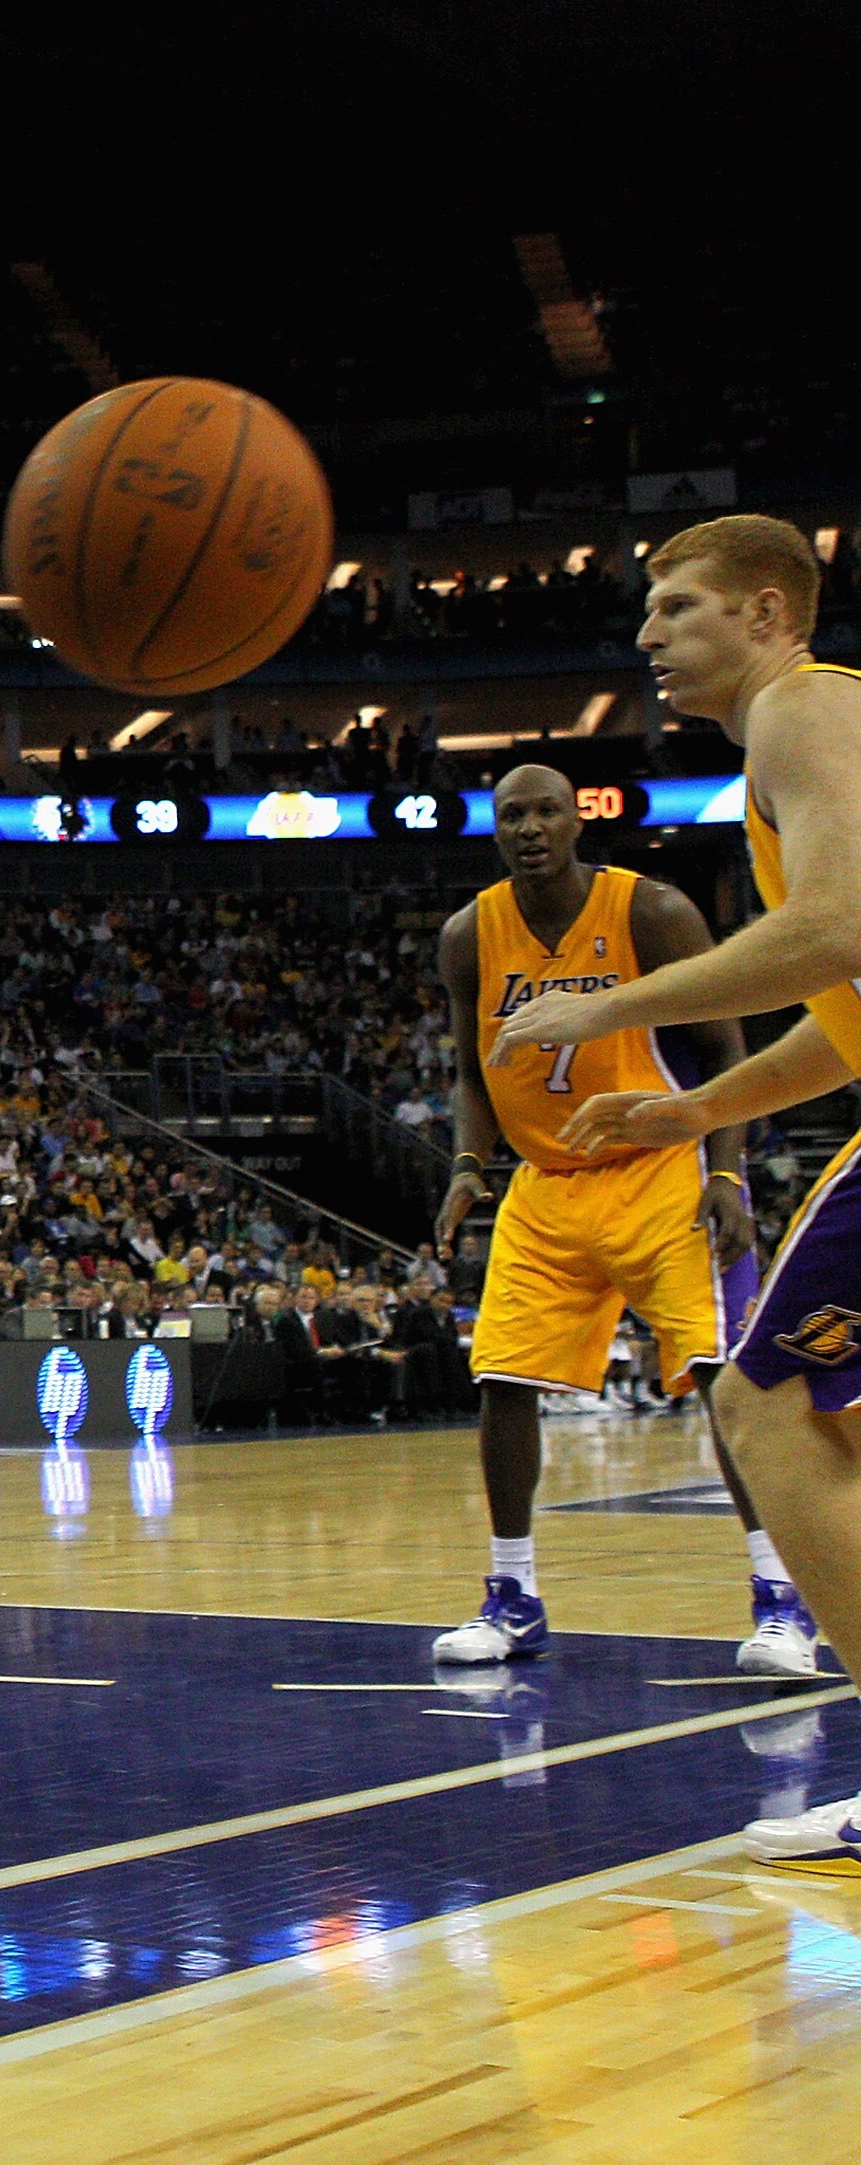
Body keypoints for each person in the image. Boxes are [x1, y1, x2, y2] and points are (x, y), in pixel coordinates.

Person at [495, 516, 861, 1868]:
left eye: (677, 607)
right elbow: (845, 1005)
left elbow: (835, 928)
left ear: (768, 612)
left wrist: (617, 1002)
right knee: (823, 1418)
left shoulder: (800, 712)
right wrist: (701, 1104)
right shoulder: (821, 728)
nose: (647, 635)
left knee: (761, 1401)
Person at [430, 763, 800, 1672]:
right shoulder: (468, 934)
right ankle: (512, 1596)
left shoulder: (654, 911)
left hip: (659, 1167)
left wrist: (729, 1175)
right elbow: (475, 1071)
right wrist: (469, 1167)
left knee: (725, 1377)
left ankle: (783, 1602)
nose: (529, 827)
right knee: (503, 1379)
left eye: (546, 809)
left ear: (576, 819)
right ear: (496, 829)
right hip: (547, 1183)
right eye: (512, 813)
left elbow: (725, 1046)